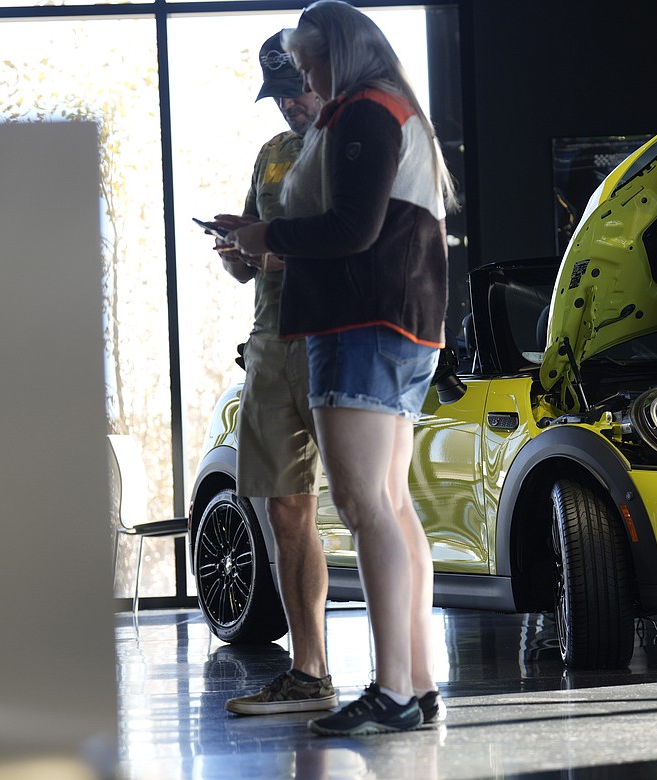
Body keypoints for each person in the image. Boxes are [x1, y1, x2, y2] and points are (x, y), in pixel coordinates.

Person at [227, 0, 456, 736]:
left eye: (311, 62)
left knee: (366, 508)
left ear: (338, 53)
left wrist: (268, 233)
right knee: (390, 505)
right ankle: (415, 683)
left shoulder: (363, 112)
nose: (308, 78)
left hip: (362, 324)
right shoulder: (391, 111)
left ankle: (391, 688)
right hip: (394, 325)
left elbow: (353, 230)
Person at [206, 32, 337, 717]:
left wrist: (278, 251)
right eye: (280, 96)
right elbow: (255, 252)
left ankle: (403, 678)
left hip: (332, 339)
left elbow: (359, 242)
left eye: (298, 89)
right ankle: (309, 672)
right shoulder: (274, 154)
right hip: (269, 341)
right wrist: (238, 249)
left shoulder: (353, 142)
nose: (290, 105)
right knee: (285, 509)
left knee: (373, 506)